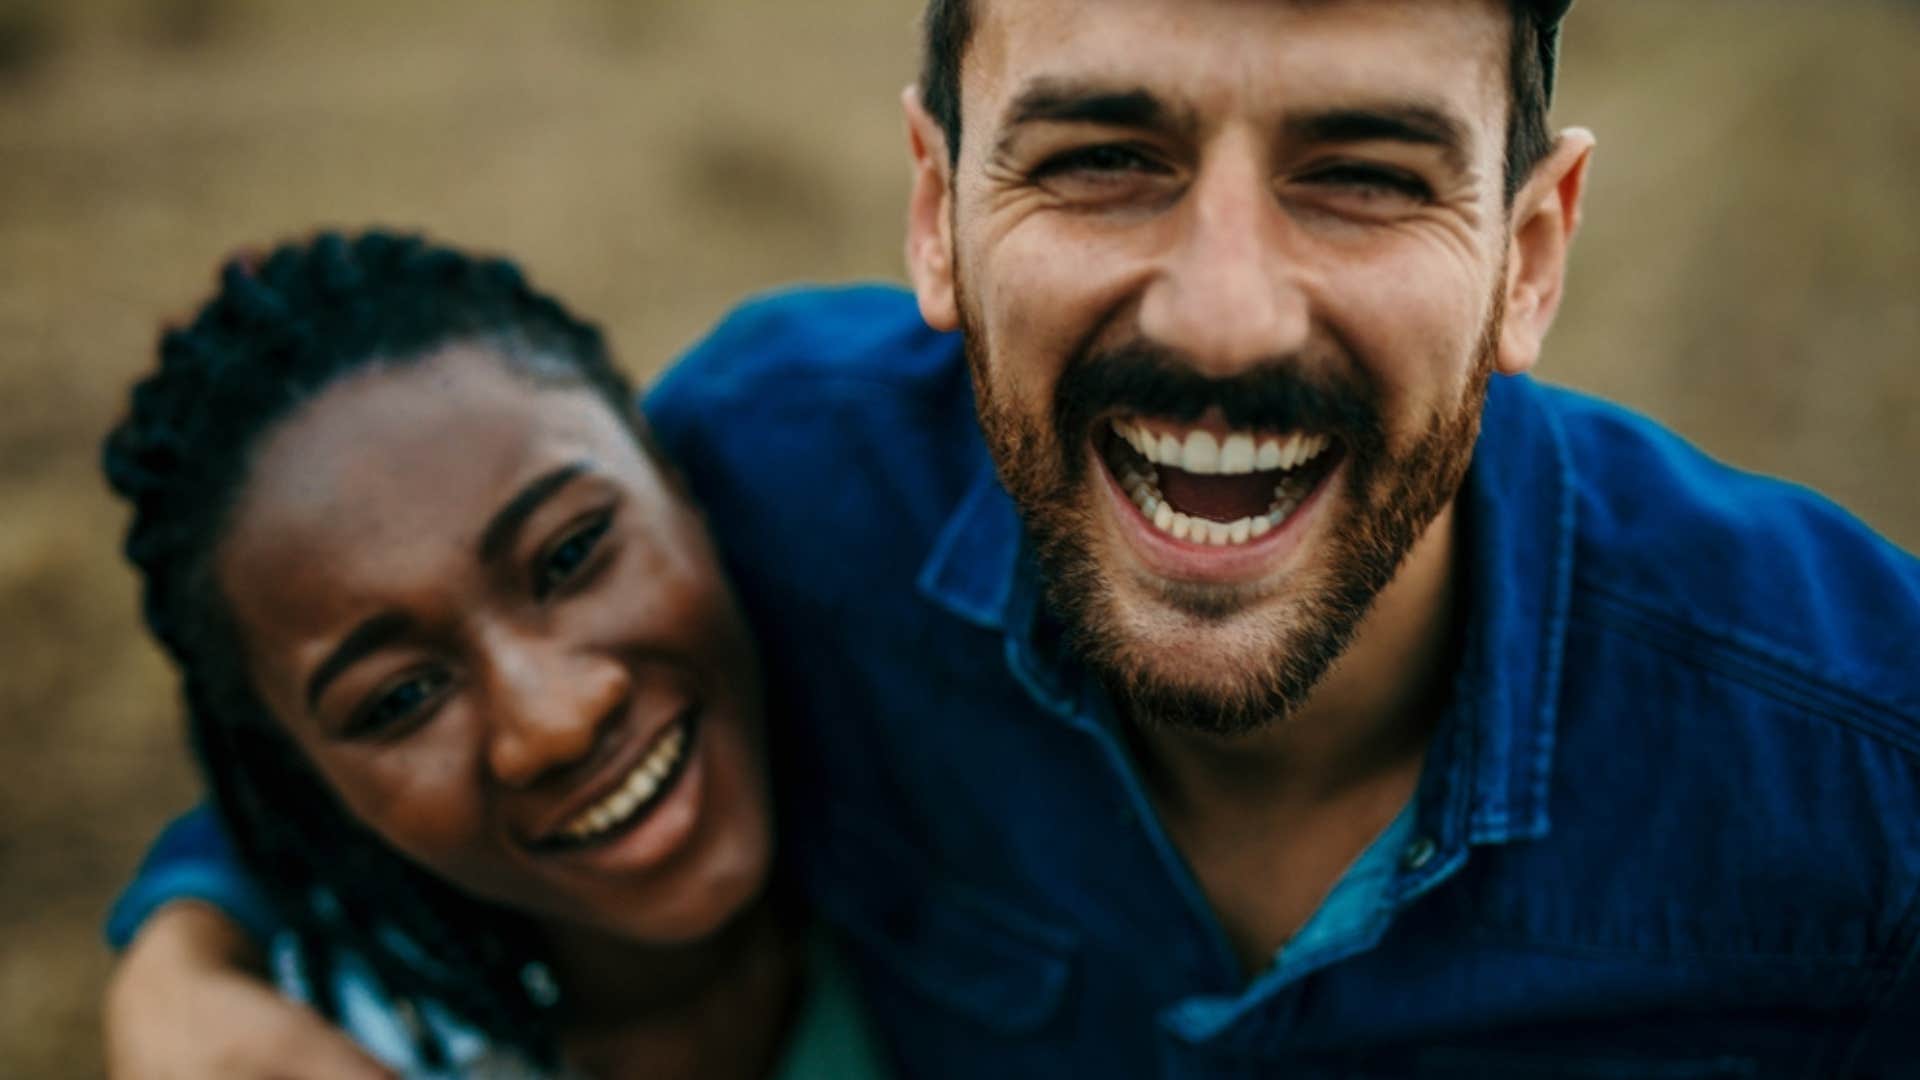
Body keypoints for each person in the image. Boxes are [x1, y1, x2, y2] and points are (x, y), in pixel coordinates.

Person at [106, 1, 1920, 1076]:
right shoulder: (782, 473)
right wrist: (179, 955)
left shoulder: (1866, 768)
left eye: (1363, 171)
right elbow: (416, 711)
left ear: (1528, 254)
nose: (1222, 318)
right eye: (1100, 155)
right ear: (935, 211)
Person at [99, 231, 891, 1078]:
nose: (557, 722)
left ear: (676, 477)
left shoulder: (919, 699)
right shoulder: (333, 1051)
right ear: (303, 778)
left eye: (568, 555)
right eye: (400, 698)